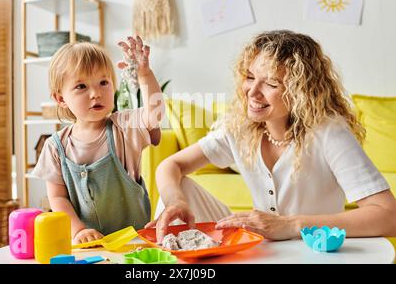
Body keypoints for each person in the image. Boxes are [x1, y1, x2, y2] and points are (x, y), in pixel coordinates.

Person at [147, 30, 396, 242]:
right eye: (250, 77)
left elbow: (388, 216)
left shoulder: (329, 133)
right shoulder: (239, 127)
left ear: (301, 92)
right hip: (258, 244)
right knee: (180, 187)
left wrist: (290, 225)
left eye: (271, 84)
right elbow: (172, 165)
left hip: (313, 247)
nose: (252, 92)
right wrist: (175, 201)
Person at [32, 36, 165, 244]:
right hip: (87, 245)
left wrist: (144, 74)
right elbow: (57, 198)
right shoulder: (55, 147)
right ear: (60, 99)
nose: (96, 93)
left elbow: (154, 114)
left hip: (134, 243)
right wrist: (78, 231)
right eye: (81, 86)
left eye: (103, 83)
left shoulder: (124, 127)